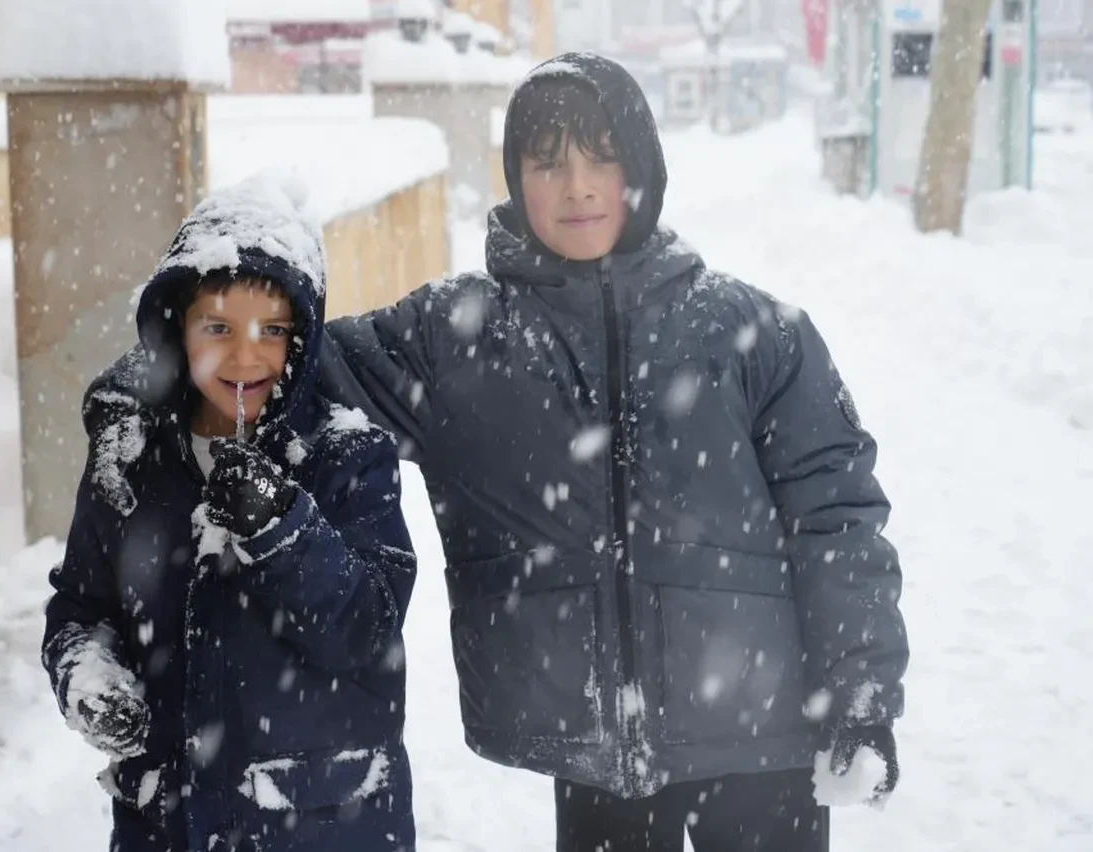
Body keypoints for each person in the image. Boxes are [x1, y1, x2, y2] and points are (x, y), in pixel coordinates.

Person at [86, 54, 909, 852]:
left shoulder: (755, 334)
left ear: (643, 168)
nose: (578, 185)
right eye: (548, 163)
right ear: (516, 178)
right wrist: (144, 385)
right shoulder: (457, 338)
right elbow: (284, 361)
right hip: (593, 752)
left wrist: (861, 691)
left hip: (762, 736)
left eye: (602, 157)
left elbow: (837, 517)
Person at [43, 170, 418, 852]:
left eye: (271, 330)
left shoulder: (347, 456)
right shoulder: (129, 461)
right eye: (218, 327)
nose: (246, 357)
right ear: (177, 329)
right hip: (168, 826)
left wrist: (283, 527)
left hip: (320, 828)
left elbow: (368, 632)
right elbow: (81, 608)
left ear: (301, 339)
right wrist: (86, 674)